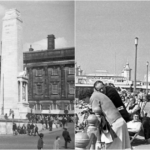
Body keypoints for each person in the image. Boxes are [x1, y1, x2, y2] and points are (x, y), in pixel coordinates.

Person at [81, 85, 131, 149]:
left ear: (86, 97)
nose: (85, 102)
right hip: (120, 122)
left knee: (112, 148)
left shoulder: (93, 98)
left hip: (115, 124)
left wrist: (98, 140)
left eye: (84, 100)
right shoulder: (97, 94)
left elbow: (97, 119)